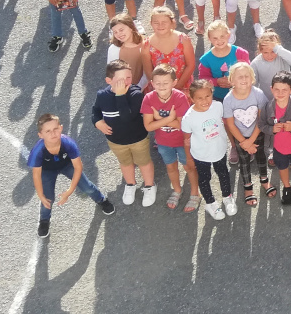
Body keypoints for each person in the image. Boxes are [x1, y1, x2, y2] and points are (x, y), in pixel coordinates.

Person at [30, 114, 114, 238]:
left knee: (86, 186)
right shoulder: (38, 151)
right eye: (48, 131)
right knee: (47, 198)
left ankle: (101, 199)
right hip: (47, 170)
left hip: (67, 165)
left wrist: (69, 191)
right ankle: (44, 220)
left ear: (61, 128)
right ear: (40, 135)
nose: (53, 133)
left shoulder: (68, 143)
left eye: (55, 129)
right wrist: (40, 196)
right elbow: (36, 175)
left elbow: (78, 167)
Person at [92, 60, 155, 207]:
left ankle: (149, 185)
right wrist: (97, 122)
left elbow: (127, 117)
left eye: (128, 77)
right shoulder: (102, 95)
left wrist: (120, 96)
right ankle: (130, 184)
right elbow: (95, 111)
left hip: (138, 139)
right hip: (115, 141)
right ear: (109, 81)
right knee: (125, 163)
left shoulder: (135, 94)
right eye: (121, 79)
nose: (126, 82)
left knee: (144, 162)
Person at [140, 64, 197, 211]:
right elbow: (148, 127)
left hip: (183, 141)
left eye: (165, 83)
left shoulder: (180, 97)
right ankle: (177, 190)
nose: (161, 86)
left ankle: (195, 193)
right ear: (152, 83)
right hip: (164, 143)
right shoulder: (148, 98)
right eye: (157, 83)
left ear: (174, 82)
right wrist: (169, 119)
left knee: (189, 167)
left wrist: (159, 119)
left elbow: (182, 125)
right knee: (171, 167)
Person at [182, 79, 235, 220]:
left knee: (223, 173)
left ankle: (227, 197)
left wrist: (233, 143)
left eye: (207, 96)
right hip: (201, 154)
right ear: (191, 98)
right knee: (204, 178)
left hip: (219, 149)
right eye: (199, 98)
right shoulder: (188, 118)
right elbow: (186, 140)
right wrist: (188, 158)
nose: (205, 101)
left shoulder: (218, 106)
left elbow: (226, 123)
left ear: (212, 93)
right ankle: (210, 203)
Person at [222, 62, 272, 206]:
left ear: (252, 78)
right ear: (231, 80)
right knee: (244, 161)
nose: (244, 79)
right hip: (240, 137)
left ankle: (264, 180)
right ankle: (248, 187)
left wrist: (251, 141)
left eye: (247, 76)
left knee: (261, 156)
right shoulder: (228, 100)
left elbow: (261, 119)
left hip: (257, 133)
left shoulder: (258, 94)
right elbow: (230, 124)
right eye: (239, 77)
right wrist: (244, 142)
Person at [258, 71, 291, 206]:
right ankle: (286, 187)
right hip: (278, 148)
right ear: (271, 89)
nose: (280, 93)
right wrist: (271, 129)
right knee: (282, 167)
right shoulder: (268, 107)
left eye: (284, 90)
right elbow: (261, 125)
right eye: (277, 89)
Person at [142, 6, 195, 91]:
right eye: (156, 22)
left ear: (172, 22)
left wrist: (178, 86)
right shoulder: (147, 44)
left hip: (183, 84)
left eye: (164, 22)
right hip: (159, 89)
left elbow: (190, 65)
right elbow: (148, 71)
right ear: (151, 23)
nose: (160, 25)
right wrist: (161, 89)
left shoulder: (183, 39)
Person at [197, 20, 250, 101]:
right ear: (209, 39)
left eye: (222, 36)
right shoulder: (206, 59)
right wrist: (216, 81)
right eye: (215, 38)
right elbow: (203, 79)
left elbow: (248, 73)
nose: (219, 41)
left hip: (241, 93)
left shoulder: (240, 53)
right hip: (217, 97)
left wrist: (234, 81)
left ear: (228, 35)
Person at [251, 30, 291, 100]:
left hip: (288, 96)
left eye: (273, 52)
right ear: (260, 51)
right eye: (265, 52)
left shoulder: (282, 56)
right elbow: (253, 84)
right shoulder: (256, 63)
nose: (269, 55)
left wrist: (278, 49)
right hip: (269, 98)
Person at [108, 14, 148, 90]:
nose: (119, 34)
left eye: (121, 30)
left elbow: (148, 70)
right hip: (122, 88)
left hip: (143, 87)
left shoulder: (145, 44)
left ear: (131, 27)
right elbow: (112, 72)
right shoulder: (114, 48)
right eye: (115, 32)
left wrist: (138, 88)